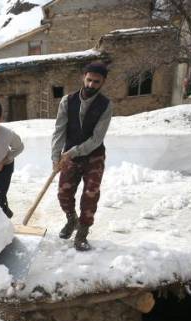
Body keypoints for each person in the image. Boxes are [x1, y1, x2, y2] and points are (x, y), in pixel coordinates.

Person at [50, 62, 112, 251]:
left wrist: (72, 152)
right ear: (83, 78)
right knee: (63, 193)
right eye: (89, 80)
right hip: (70, 156)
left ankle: (82, 233)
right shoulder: (67, 101)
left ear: (103, 82)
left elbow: (96, 139)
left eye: (96, 82)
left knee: (90, 195)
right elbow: (59, 131)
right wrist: (55, 157)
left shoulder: (106, 105)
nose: (91, 85)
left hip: (94, 155)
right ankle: (72, 220)